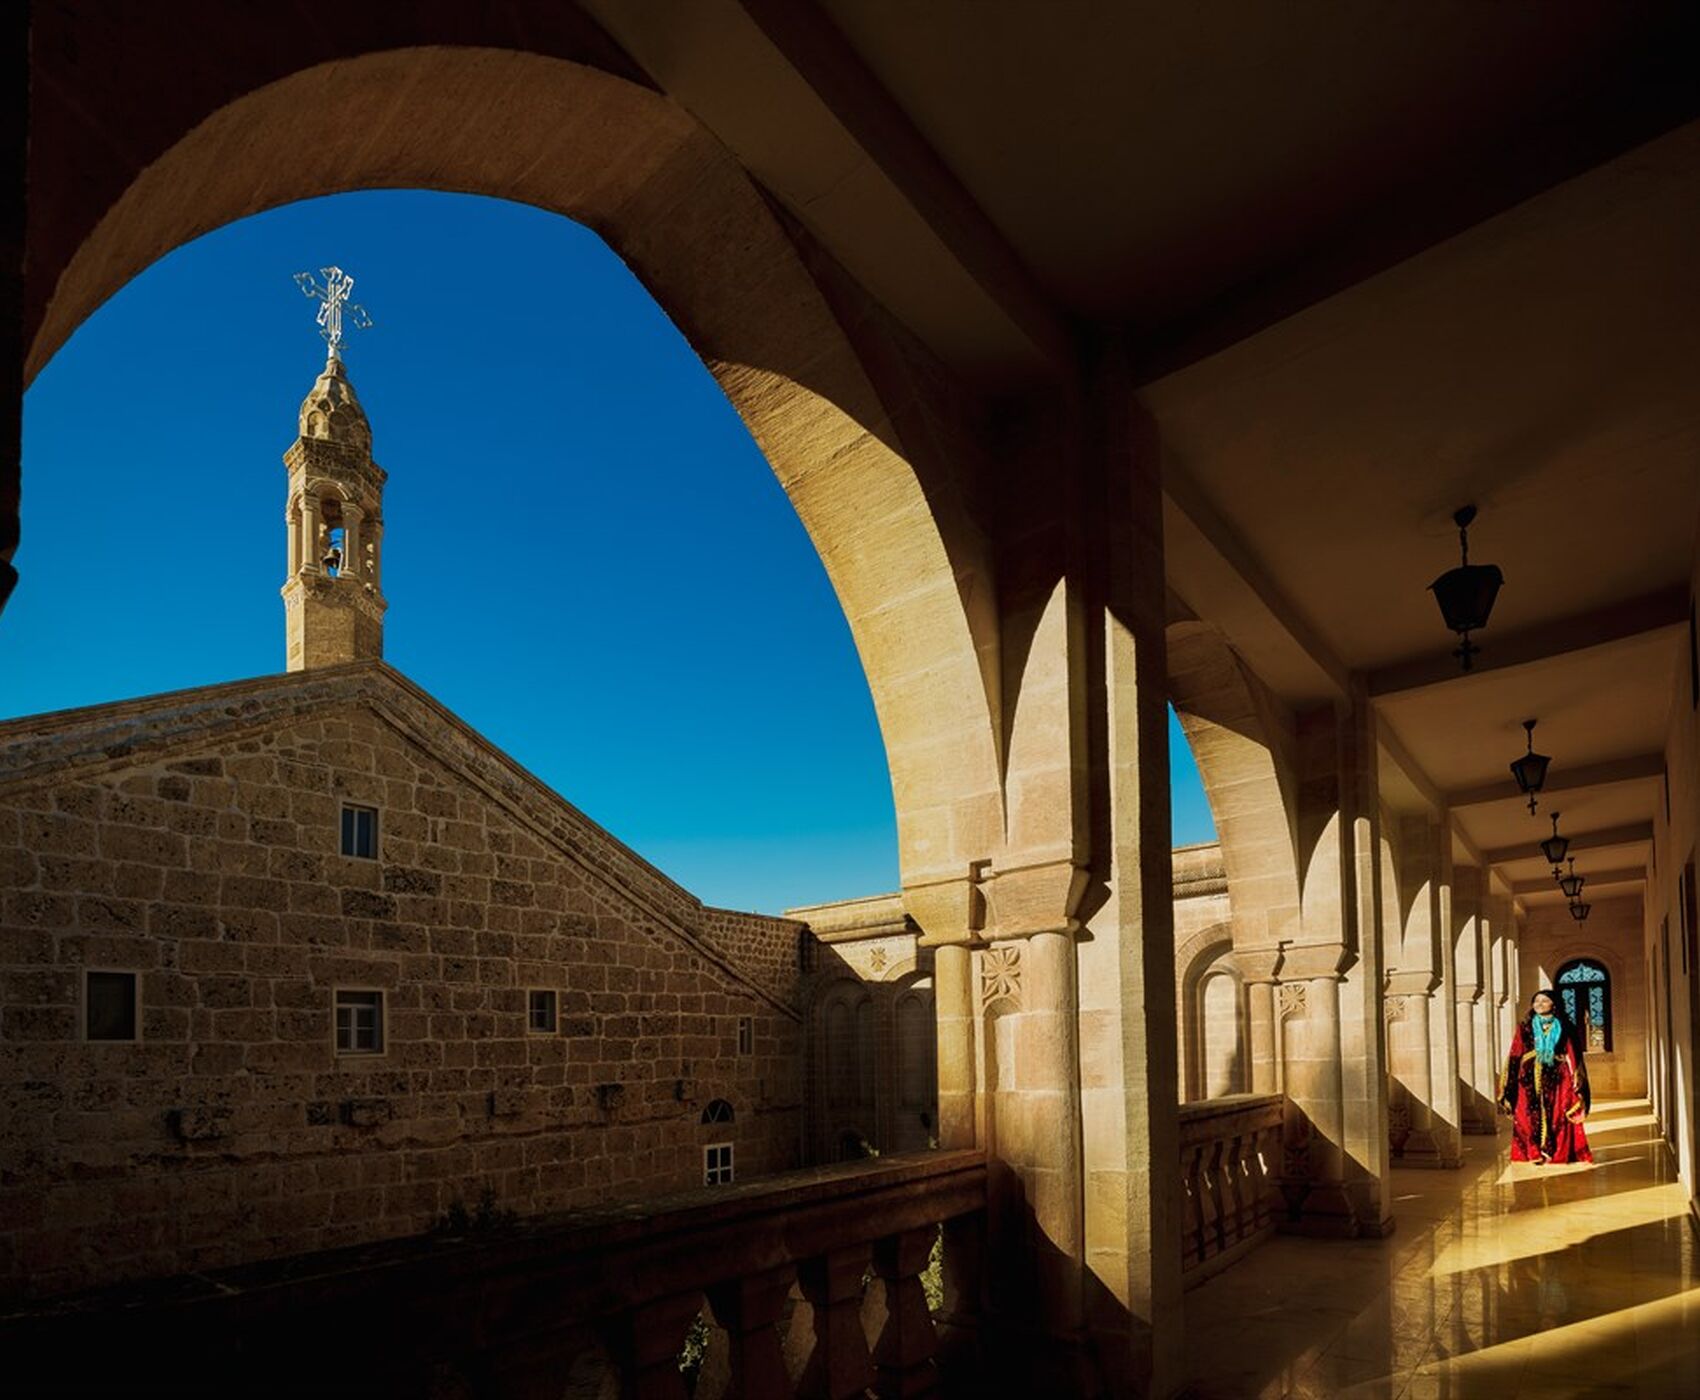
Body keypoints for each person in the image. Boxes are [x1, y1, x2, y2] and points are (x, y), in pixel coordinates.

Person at [1498, 988, 1592, 1164]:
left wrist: (1575, 1077)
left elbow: (1573, 1053)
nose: (1539, 1004)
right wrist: (1508, 1080)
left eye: (1544, 1001)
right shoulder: (1525, 1026)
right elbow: (1516, 1052)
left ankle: (1555, 1152)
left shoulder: (1565, 1026)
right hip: (1527, 1079)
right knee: (1527, 1116)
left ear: (1554, 1004)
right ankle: (1533, 1152)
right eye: (1536, 1001)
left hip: (1557, 1077)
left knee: (1557, 1114)